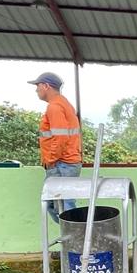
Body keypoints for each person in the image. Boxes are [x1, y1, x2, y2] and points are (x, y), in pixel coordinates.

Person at [29, 72, 81, 222]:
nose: (36, 90)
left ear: (46, 86)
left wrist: (51, 160)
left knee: (63, 205)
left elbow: (60, 137)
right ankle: (73, 234)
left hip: (61, 164)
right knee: (58, 204)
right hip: (66, 163)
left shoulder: (55, 107)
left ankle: (75, 235)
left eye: (38, 86)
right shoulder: (63, 104)